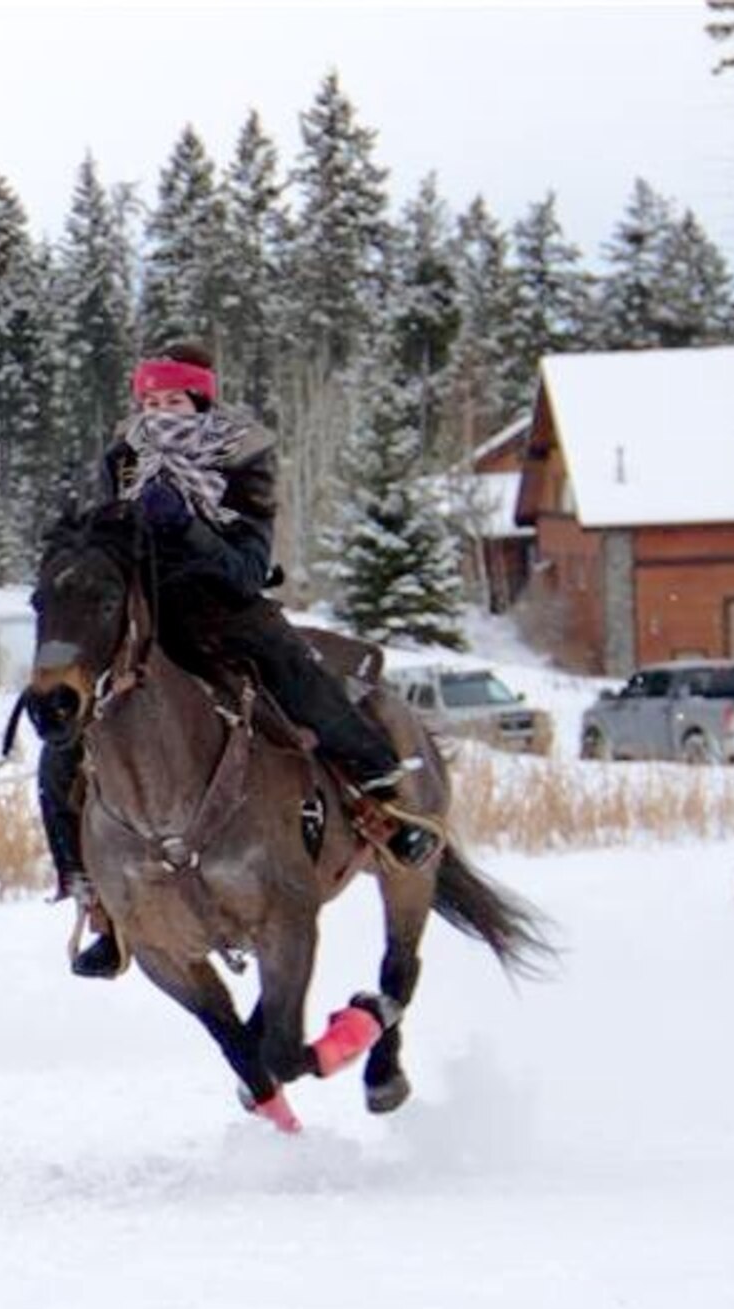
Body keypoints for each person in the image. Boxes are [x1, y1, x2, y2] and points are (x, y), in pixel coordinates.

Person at [38, 341, 438, 980]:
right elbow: (109, 542)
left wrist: (186, 528)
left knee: (298, 677)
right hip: (143, 619)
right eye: (149, 400)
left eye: (172, 400)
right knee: (62, 747)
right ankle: (94, 894)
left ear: (199, 400)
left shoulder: (243, 456)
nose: (159, 410)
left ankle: (383, 800)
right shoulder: (123, 455)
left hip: (222, 608)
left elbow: (249, 563)